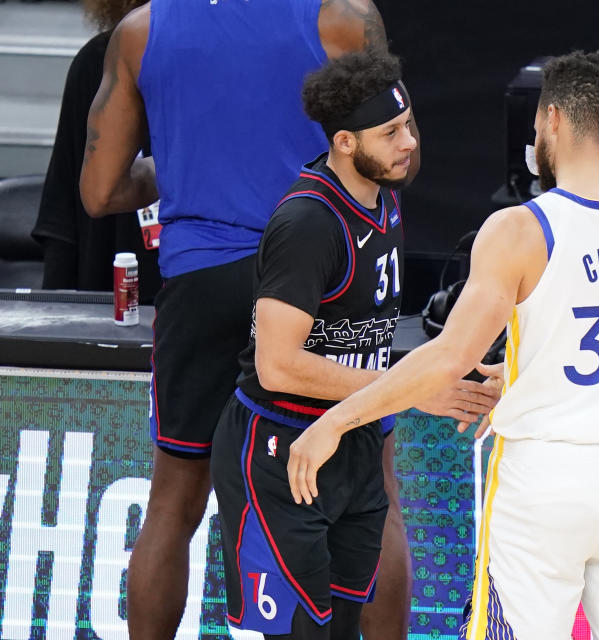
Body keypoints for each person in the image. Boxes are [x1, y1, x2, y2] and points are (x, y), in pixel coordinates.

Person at [285, 50, 599, 640]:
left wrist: (337, 421)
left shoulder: (520, 228)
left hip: (546, 479)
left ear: (551, 119)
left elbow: (449, 356)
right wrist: (534, 370)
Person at [76, 1, 418, 638]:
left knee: (175, 503)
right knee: (376, 492)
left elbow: (99, 191)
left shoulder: (141, 30)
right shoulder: (341, 16)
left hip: (204, 281)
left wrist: (170, 173)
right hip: (322, 271)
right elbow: (395, 152)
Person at [209, 50, 499, 640]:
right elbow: (277, 364)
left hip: (353, 442)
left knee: (345, 627)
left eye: (410, 124)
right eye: (391, 132)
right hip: (283, 450)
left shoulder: (384, 196)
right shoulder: (308, 223)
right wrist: (410, 391)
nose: (409, 142)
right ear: (344, 142)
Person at [31, 0, 161, 302]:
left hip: (201, 286)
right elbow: (62, 212)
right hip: (112, 283)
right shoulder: (98, 61)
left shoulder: (239, 66)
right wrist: (56, 316)